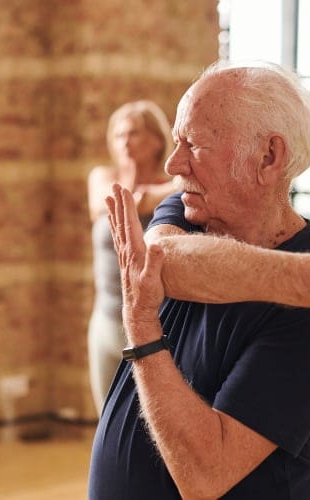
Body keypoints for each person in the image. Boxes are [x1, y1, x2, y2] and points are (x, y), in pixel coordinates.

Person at [88, 61, 310, 499]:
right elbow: (163, 259)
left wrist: (142, 329)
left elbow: (205, 474)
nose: (174, 164)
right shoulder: (189, 211)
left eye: (194, 145)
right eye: (177, 141)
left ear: (268, 157)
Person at [86, 100, 176, 413]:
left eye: (134, 133)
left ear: (156, 140)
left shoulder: (173, 186)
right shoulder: (102, 176)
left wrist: (148, 195)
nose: (125, 141)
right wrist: (140, 196)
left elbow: (174, 190)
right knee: (107, 421)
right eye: (119, 134)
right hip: (105, 319)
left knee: (152, 423)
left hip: (156, 325)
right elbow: (107, 203)